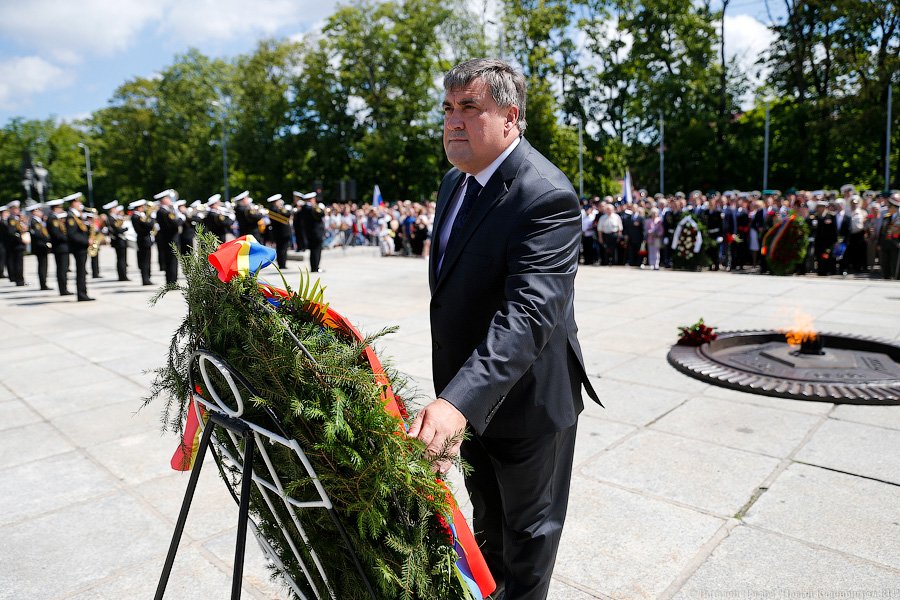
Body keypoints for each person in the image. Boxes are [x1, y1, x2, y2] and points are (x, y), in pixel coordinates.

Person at [410, 58, 601, 600]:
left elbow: (530, 313)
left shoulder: (545, 194)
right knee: (487, 533)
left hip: (528, 405)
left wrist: (458, 401)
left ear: (511, 118)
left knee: (526, 545)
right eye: (448, 108)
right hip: (470, 400)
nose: (453, 120)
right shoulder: (455, 183)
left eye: (470, 107)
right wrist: (461, 398)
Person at [64, 192, 93, 301]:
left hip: (81, 247)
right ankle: (81, 294)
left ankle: (83, 293)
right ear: (73, 203)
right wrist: (86, 241)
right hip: (78, 247)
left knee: (82, 271)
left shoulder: (76, 215)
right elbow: (72, 235)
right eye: (78, 201)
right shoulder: (71, 216)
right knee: (81, 272)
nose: (80, 203)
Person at [153, 189, 184, 285]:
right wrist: (181, 218)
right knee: (172, 261)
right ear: (163, 200)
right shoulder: (164, 211)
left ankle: (171, 281)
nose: (170, 200)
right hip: (170, 238)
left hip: (169, 238)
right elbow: (174, 224)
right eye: (168, 198)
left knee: (171, 261)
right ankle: (172, 281)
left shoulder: (164, 210)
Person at [46, 198, 71, 295]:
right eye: (60, 207)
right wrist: (68, 238)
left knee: (63, 269)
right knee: (62, 269)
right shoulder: (53, 218)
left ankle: (64, 288)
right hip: (60, 247)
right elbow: (57, 234)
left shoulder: (55, 218)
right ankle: (63, 289)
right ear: (55, 208)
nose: (61, 209)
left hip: (62, 247)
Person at [27, 204, 52, 289]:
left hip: (41, 246)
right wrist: (47, 241)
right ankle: (43, 284)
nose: (41, 212)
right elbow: (38, 234)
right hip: (40, 246)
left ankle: (44, 283)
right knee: (42, 265)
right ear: (34, 212)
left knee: (44, 265)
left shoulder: (38, 221)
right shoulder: (34, 221)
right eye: (39, 210)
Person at [130, 199, 154, 285]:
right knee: (145, 260)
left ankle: (147, 278)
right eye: (142, 207)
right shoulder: (136, 217)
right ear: (138, 208)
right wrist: (151, 219)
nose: (144, 208)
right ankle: (145, 279)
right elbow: (148, 226)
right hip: (143, 240)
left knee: (147, 260)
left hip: (145, 239)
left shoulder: (139, 216)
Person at [266, 194, 294, 269]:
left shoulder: (275, 209)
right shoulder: (275, 210)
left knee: (282, 248)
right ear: (275, 202)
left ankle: (282, 263)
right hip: (281, 232)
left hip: (281, 232)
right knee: (282, 248)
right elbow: (286, 216)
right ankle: (282, 264)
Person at [104, 201, 130, 281]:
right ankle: (122, 276)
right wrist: (125, 229)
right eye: (115, 208)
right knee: (121, 259)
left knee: (122, 259)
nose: (116, 209)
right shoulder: (111, 218)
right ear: (112, 209)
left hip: (120, 240)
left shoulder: (113, 217)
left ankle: (123, 275)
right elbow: (117, 230)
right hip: (118, 241)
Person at [300, 193, 326, 272]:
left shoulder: (304, 208)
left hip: (310, 232)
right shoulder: (311, 208)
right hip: (316, 233)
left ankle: (314, 267)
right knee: (316, 250)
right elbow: (321, 214)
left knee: (313, 251)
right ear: (311, 199)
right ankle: (315, 267)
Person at [4, 201, 27, 286]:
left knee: (19, 263)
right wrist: (20, 238)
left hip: (19, 245)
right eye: (16, 209)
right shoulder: (12, 218)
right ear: (12, 210)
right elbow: (11, 232)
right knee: (18, 263)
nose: (18, 210)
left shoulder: (17, 218)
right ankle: (19, 280)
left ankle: (20, 279)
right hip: (16, 244)